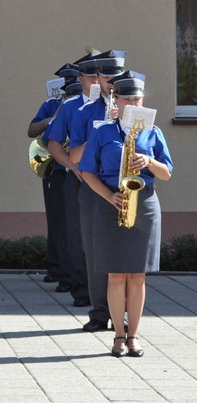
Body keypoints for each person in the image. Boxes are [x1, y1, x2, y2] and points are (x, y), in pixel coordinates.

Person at [79, 73, 172, 357]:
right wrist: (109, 197)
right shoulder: (102, 131)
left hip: (143, 202)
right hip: (112, 202)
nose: (133, 102)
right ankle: (118, 335)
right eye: (127, 98)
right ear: (115, 101)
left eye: (137, 98)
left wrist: (149, 161)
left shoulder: (153, 132)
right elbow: (86, 172)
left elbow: (167, 173)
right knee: (116, 275)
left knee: (137, 275)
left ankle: (134, 336)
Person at [69, 50, 126, 332]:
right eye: (106, 76)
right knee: (95, 251)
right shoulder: (85, 111)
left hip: (126, 187)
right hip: (93, 188)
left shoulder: (134, 107)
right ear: (98, 78)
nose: (111, 81)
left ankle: (123, 314)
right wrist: (102, 129)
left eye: (117, 75)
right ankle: (99, 313)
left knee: (125, 253)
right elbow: (76, 155)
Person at [45, 52, 99, 309]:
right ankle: (82, 290)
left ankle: (107, 291)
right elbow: (53, 143)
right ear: (81, 78)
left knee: (106, 235)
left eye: (102, 75)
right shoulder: (70, 105)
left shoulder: (119, 104)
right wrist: (71, 165)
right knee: (76, 236)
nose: (97, 80)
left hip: (109, 179)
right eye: (91, 75)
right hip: (77, 178)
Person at [27, 63, 79, 287]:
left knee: (72, 223)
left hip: (77, 169)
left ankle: (70, 273)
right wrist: (53, 119)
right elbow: (32, 130)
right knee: (57, 221)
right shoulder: (52, 104)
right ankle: (56, 267)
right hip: (55, 169)